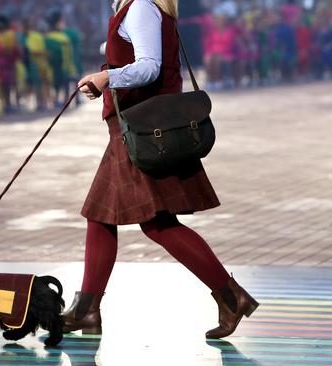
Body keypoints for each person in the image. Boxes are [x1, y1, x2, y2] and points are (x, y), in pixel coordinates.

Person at [67, 0, 259, 339]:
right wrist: (107, 79)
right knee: (118, 218)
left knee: (152, 223)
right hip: (138, 129)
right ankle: (88, 310)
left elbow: (149, 67)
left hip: (143, 132)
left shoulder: (141, 6)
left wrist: (105, 77)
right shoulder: (138, 6)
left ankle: (231, 296)